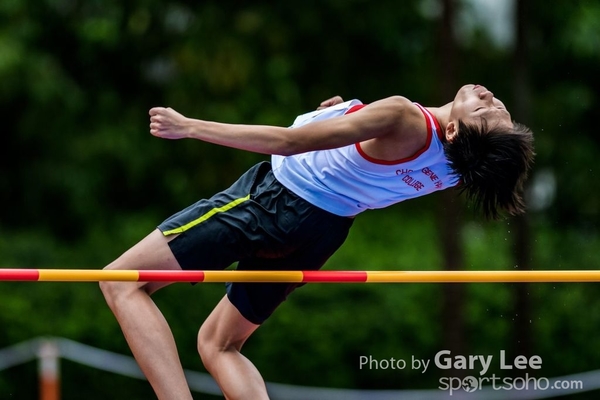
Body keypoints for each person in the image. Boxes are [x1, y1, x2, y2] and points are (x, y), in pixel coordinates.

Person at [99, 84, 535, 399]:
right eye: (496, 104)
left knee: (121, 281)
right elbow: (379, 162)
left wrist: (190, 126)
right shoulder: (461, 167)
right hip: (320, 232)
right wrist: (342, 114)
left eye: (484, 110)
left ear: (457, 132)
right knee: (219, 344)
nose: (488, 97)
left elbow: (289, 144)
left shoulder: (402, 116)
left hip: (273, 201)